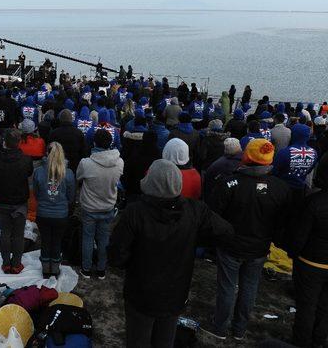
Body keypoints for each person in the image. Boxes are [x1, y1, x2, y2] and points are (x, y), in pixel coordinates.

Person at [111, 159, 232, 348]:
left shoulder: (137, 212)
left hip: (144, 293)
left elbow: (116, 256)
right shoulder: (192, 210)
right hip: (173, 291)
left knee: (139, 340)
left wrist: (195, 241)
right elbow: (117, 255)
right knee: (164, 340)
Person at [204, 139, 291, 341]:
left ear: (246, 156)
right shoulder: (281, 188)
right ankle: (239, 329)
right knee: (249, 288)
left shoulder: (229, 183)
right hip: (259, 247)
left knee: (227, 287)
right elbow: (283, 221)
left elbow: (213, 214)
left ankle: (220, 327)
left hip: (231, 246)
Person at [287, 153, 328, 347]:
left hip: (311, 263)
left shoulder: (314, 202)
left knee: (307, 306)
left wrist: (292, 252)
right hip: (314, 260)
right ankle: (318, 340)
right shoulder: (314, 201)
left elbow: (300, 235)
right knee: (323, 307)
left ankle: (302, 341)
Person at [76, 129, 123, 279]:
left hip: (90, 207)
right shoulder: (119, 162)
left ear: (94, 143)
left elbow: (79, 178)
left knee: (88, 237)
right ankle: (101, 269)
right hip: (107, 206)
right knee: (104, 238)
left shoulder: (86, 163)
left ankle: (87, 268)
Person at [0, 128, 33, 274]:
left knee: (5, 232)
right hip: (18, 201)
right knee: (17, 234)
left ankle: (7, 263)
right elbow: (28, 172)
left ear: (5, 142)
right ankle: (15, 263)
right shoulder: (25, 160)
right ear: (19, 142)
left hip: (3, 199)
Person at [32, 142, 75, 278]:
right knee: (56, 241)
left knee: (45, 241)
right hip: (60, 214)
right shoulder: (68, 173)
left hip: (43, 213)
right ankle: (54, 270)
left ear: (46, 154)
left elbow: (36, 194)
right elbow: (71, 196)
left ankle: (45, 270)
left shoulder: (39, 171)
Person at [202, 138, 243, 202]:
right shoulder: (246, 163)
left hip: (217, 201)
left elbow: (208, 184)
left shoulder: (216, 165)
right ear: (240, 148)